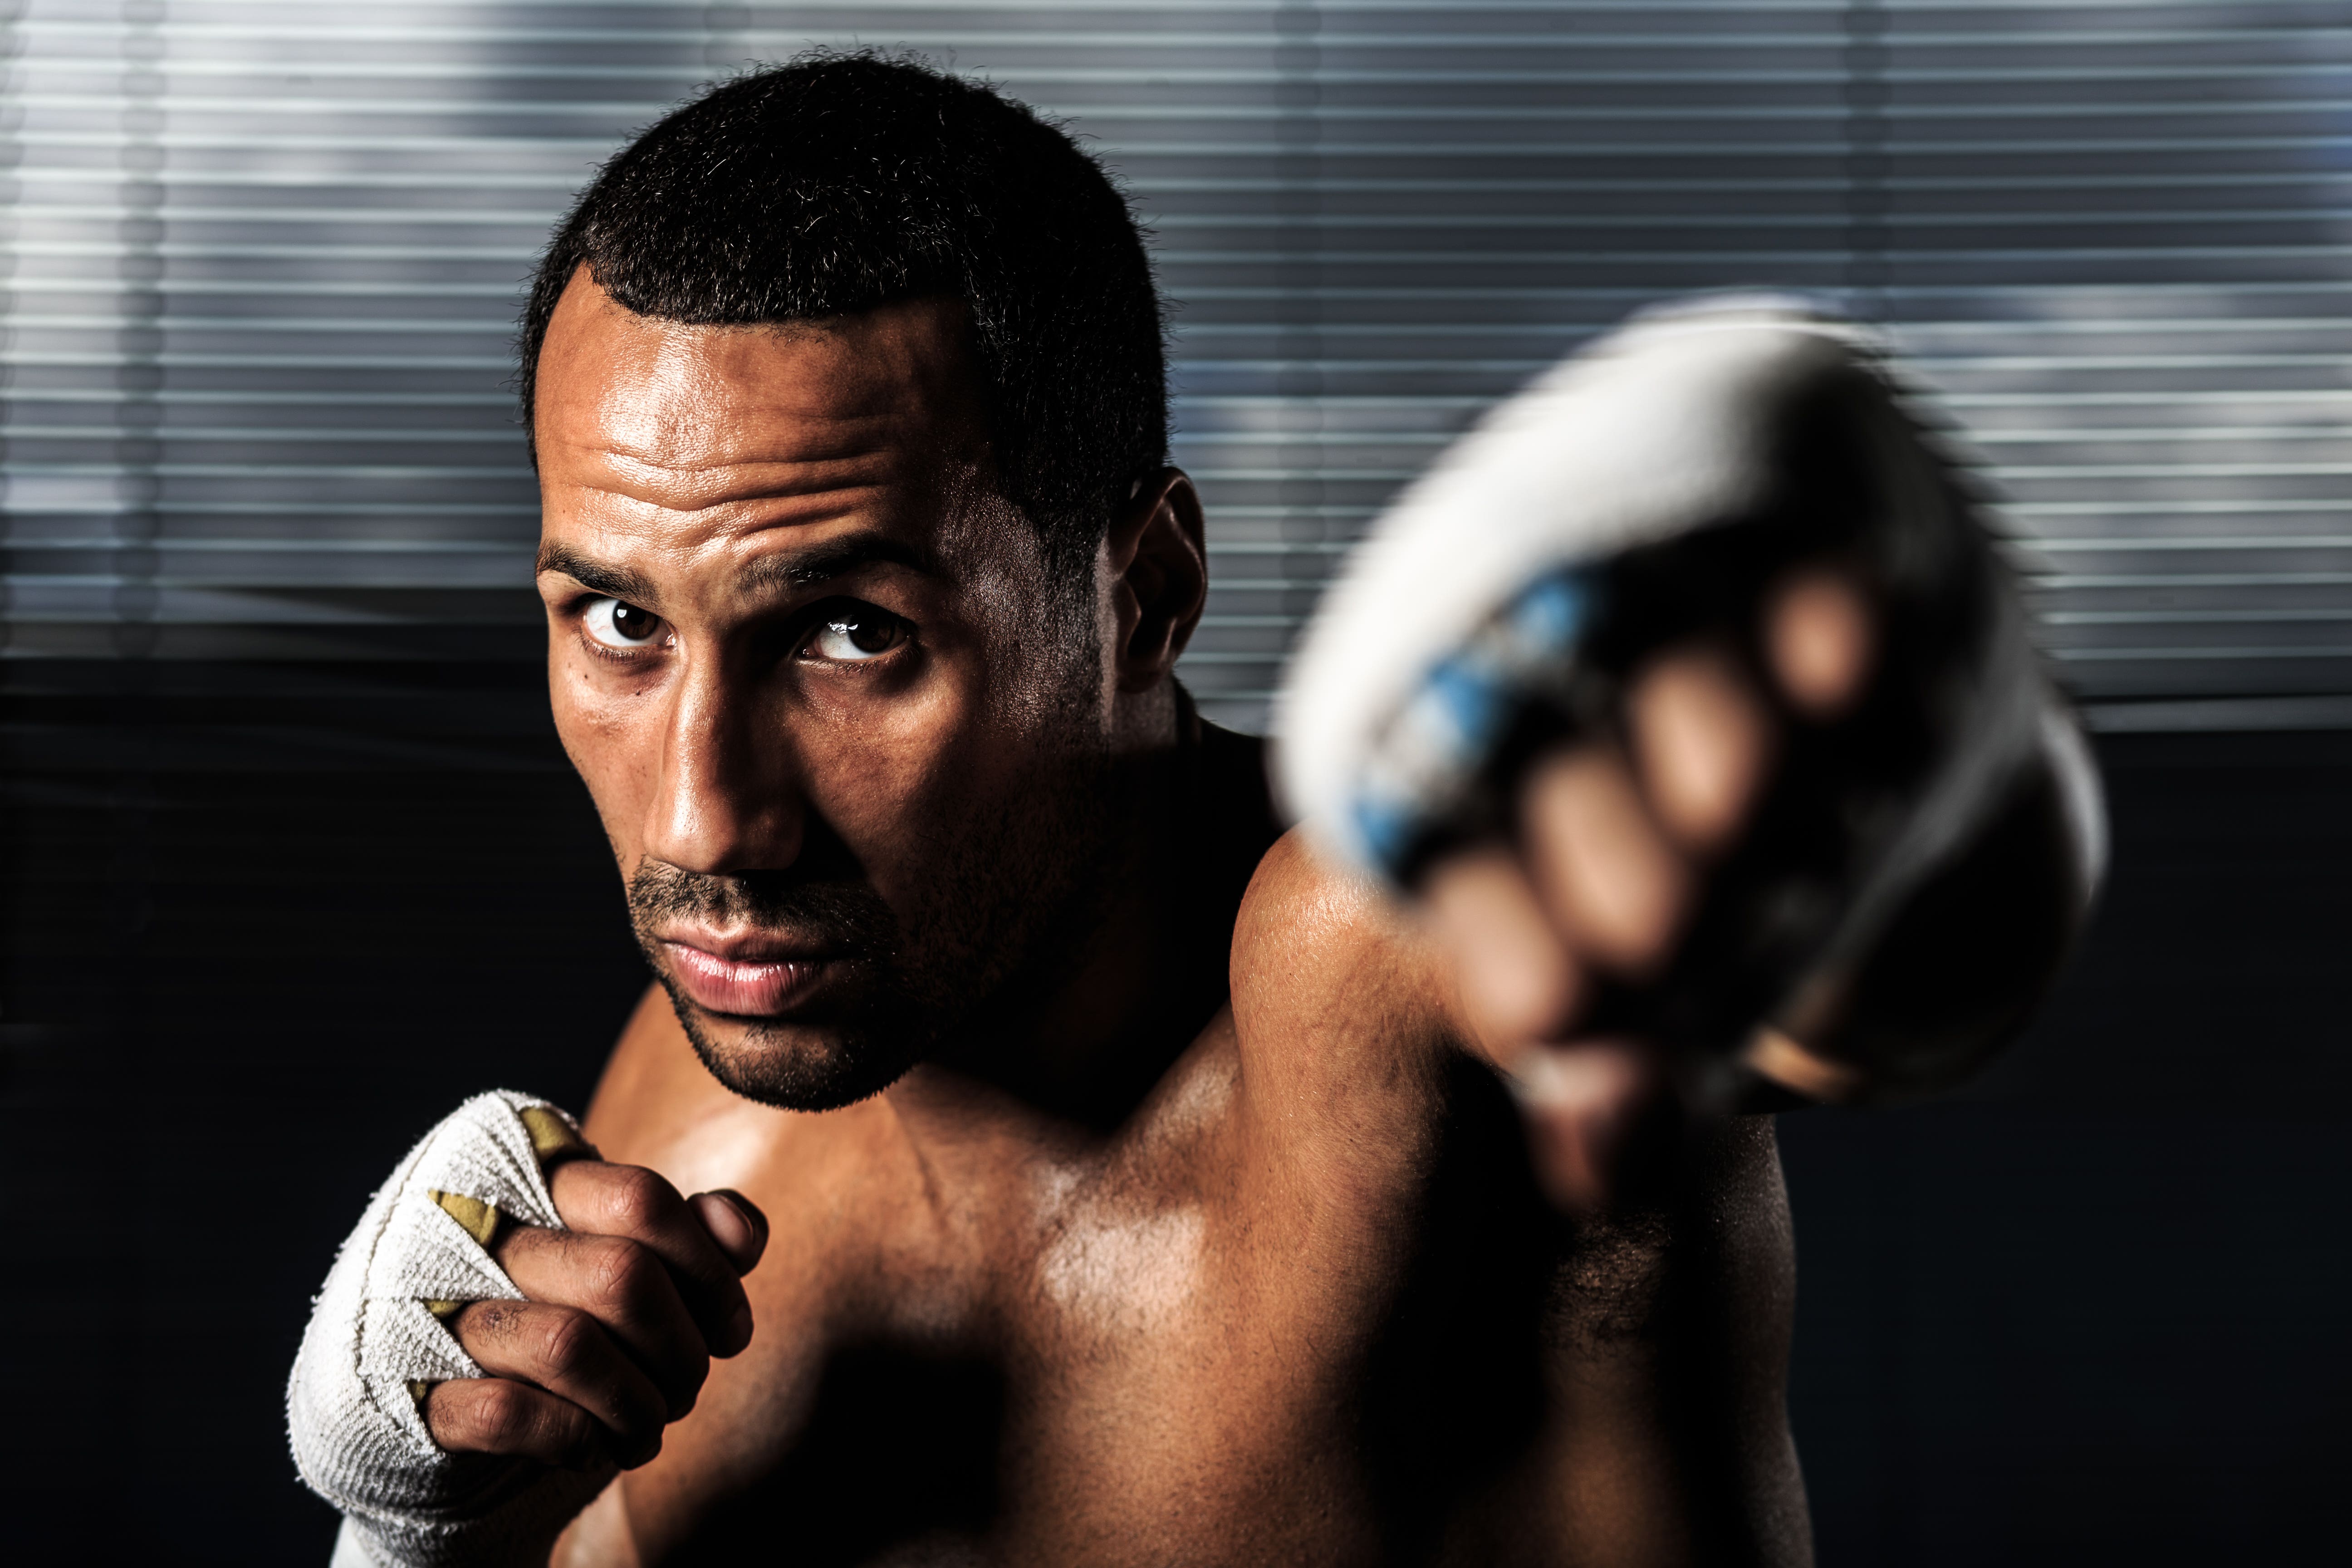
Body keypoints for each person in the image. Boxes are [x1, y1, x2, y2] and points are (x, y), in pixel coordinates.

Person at [288, 53, 2101, 1568]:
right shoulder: (698, 1134)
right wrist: (412, 1529)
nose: (710, 818)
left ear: (1141, 594)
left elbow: (1831, 950)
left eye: (851, 633)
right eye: (619, 623)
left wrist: (1897, 686)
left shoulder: (1359, 990)